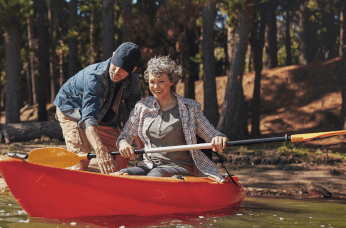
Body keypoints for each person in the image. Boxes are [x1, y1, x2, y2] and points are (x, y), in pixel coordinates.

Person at [115, 55, 228, 181]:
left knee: (156, 174)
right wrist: (123, 143)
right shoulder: (142, 107)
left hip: (181, 168)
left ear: (171, 81)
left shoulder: (190, 108)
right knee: (119, 175)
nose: (156, 87)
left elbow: (211, 134)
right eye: (152, 82)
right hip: (149, 166)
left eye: (161, 82)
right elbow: (124, 136)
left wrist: (218, 138)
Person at [54, 42, 142, 174]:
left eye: (123, 69)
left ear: (133, 70)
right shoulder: (95, 77)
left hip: (101, 113)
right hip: (71, 109)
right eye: (115, 65)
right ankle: (70, 175)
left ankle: (98, 184)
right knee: (81, 158)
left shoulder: (134, 81)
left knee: (120, 157)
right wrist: (100, 150)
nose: (117, 72)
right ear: (112, 56)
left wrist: (143, 152)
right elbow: (88, 118)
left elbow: (135, 116)